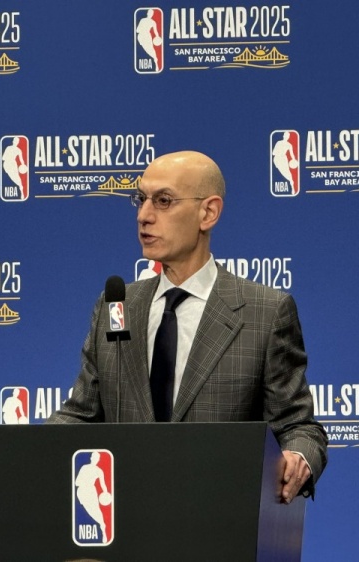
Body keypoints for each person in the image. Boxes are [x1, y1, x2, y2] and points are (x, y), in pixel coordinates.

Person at [48, 150, 327, 501]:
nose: (144, 216)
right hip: (127, 514)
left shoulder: (265, 313)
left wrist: (298, 457)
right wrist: (25, 451)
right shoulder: (116, 306)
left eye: (163, 201)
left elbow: (298, 426)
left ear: (208, 212)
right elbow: (81, 415)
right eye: (141, 199)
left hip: (220, 512)